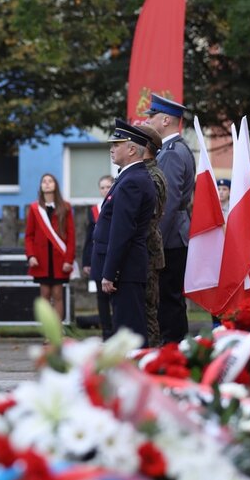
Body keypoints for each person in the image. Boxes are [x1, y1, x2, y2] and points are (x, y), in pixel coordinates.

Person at [93, 120, 158, 342]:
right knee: (126, 327)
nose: (112, 148)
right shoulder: (129, 177)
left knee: (129, 331)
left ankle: (136, 373)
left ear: (132, 149)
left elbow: (122, 231)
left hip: (126, 269)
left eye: (117, 144)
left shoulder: (133, 181)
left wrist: (111, 272)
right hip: (127, 267)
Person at [144, 94, 194, 345]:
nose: (148, 120)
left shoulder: (172, 153)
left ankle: (173, 347)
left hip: (170, 237)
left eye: (151, 116)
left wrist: (155, 239)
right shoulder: (170, 150)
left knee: (168, 298)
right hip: (173, 235)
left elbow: (169, 202)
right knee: (167, 296)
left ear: (165, 120)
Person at [25, 174, 75, 323]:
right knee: (45, 294)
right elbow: (29, 235)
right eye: (44, 182)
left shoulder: (65, 207)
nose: (47, 184)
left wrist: (69, 260)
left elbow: (71, 236)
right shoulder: (35, 208)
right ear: (41, 186)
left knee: (58, 294)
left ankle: (57, 331)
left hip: (60, 259)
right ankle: (48, 331)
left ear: (55, 185)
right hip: (41, 260)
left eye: (50, 181)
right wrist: (31, 255)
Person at [136, 124, 167, 346]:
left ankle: (153, 359)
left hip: (147, 250)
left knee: (148, 311)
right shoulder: (142, 172)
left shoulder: (152, 177)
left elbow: (148, 216)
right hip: (143, 249)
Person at [83, 175, 114, 338]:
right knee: (101, 297)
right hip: (97, 258)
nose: (105, 190)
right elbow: (88, 238)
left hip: (114, 255)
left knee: (115, 296)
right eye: (102, 187)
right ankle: (106, 330)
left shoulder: (117, 205)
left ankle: (117, 329)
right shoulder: (94, 210)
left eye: (108, 186)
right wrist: (86, 261)